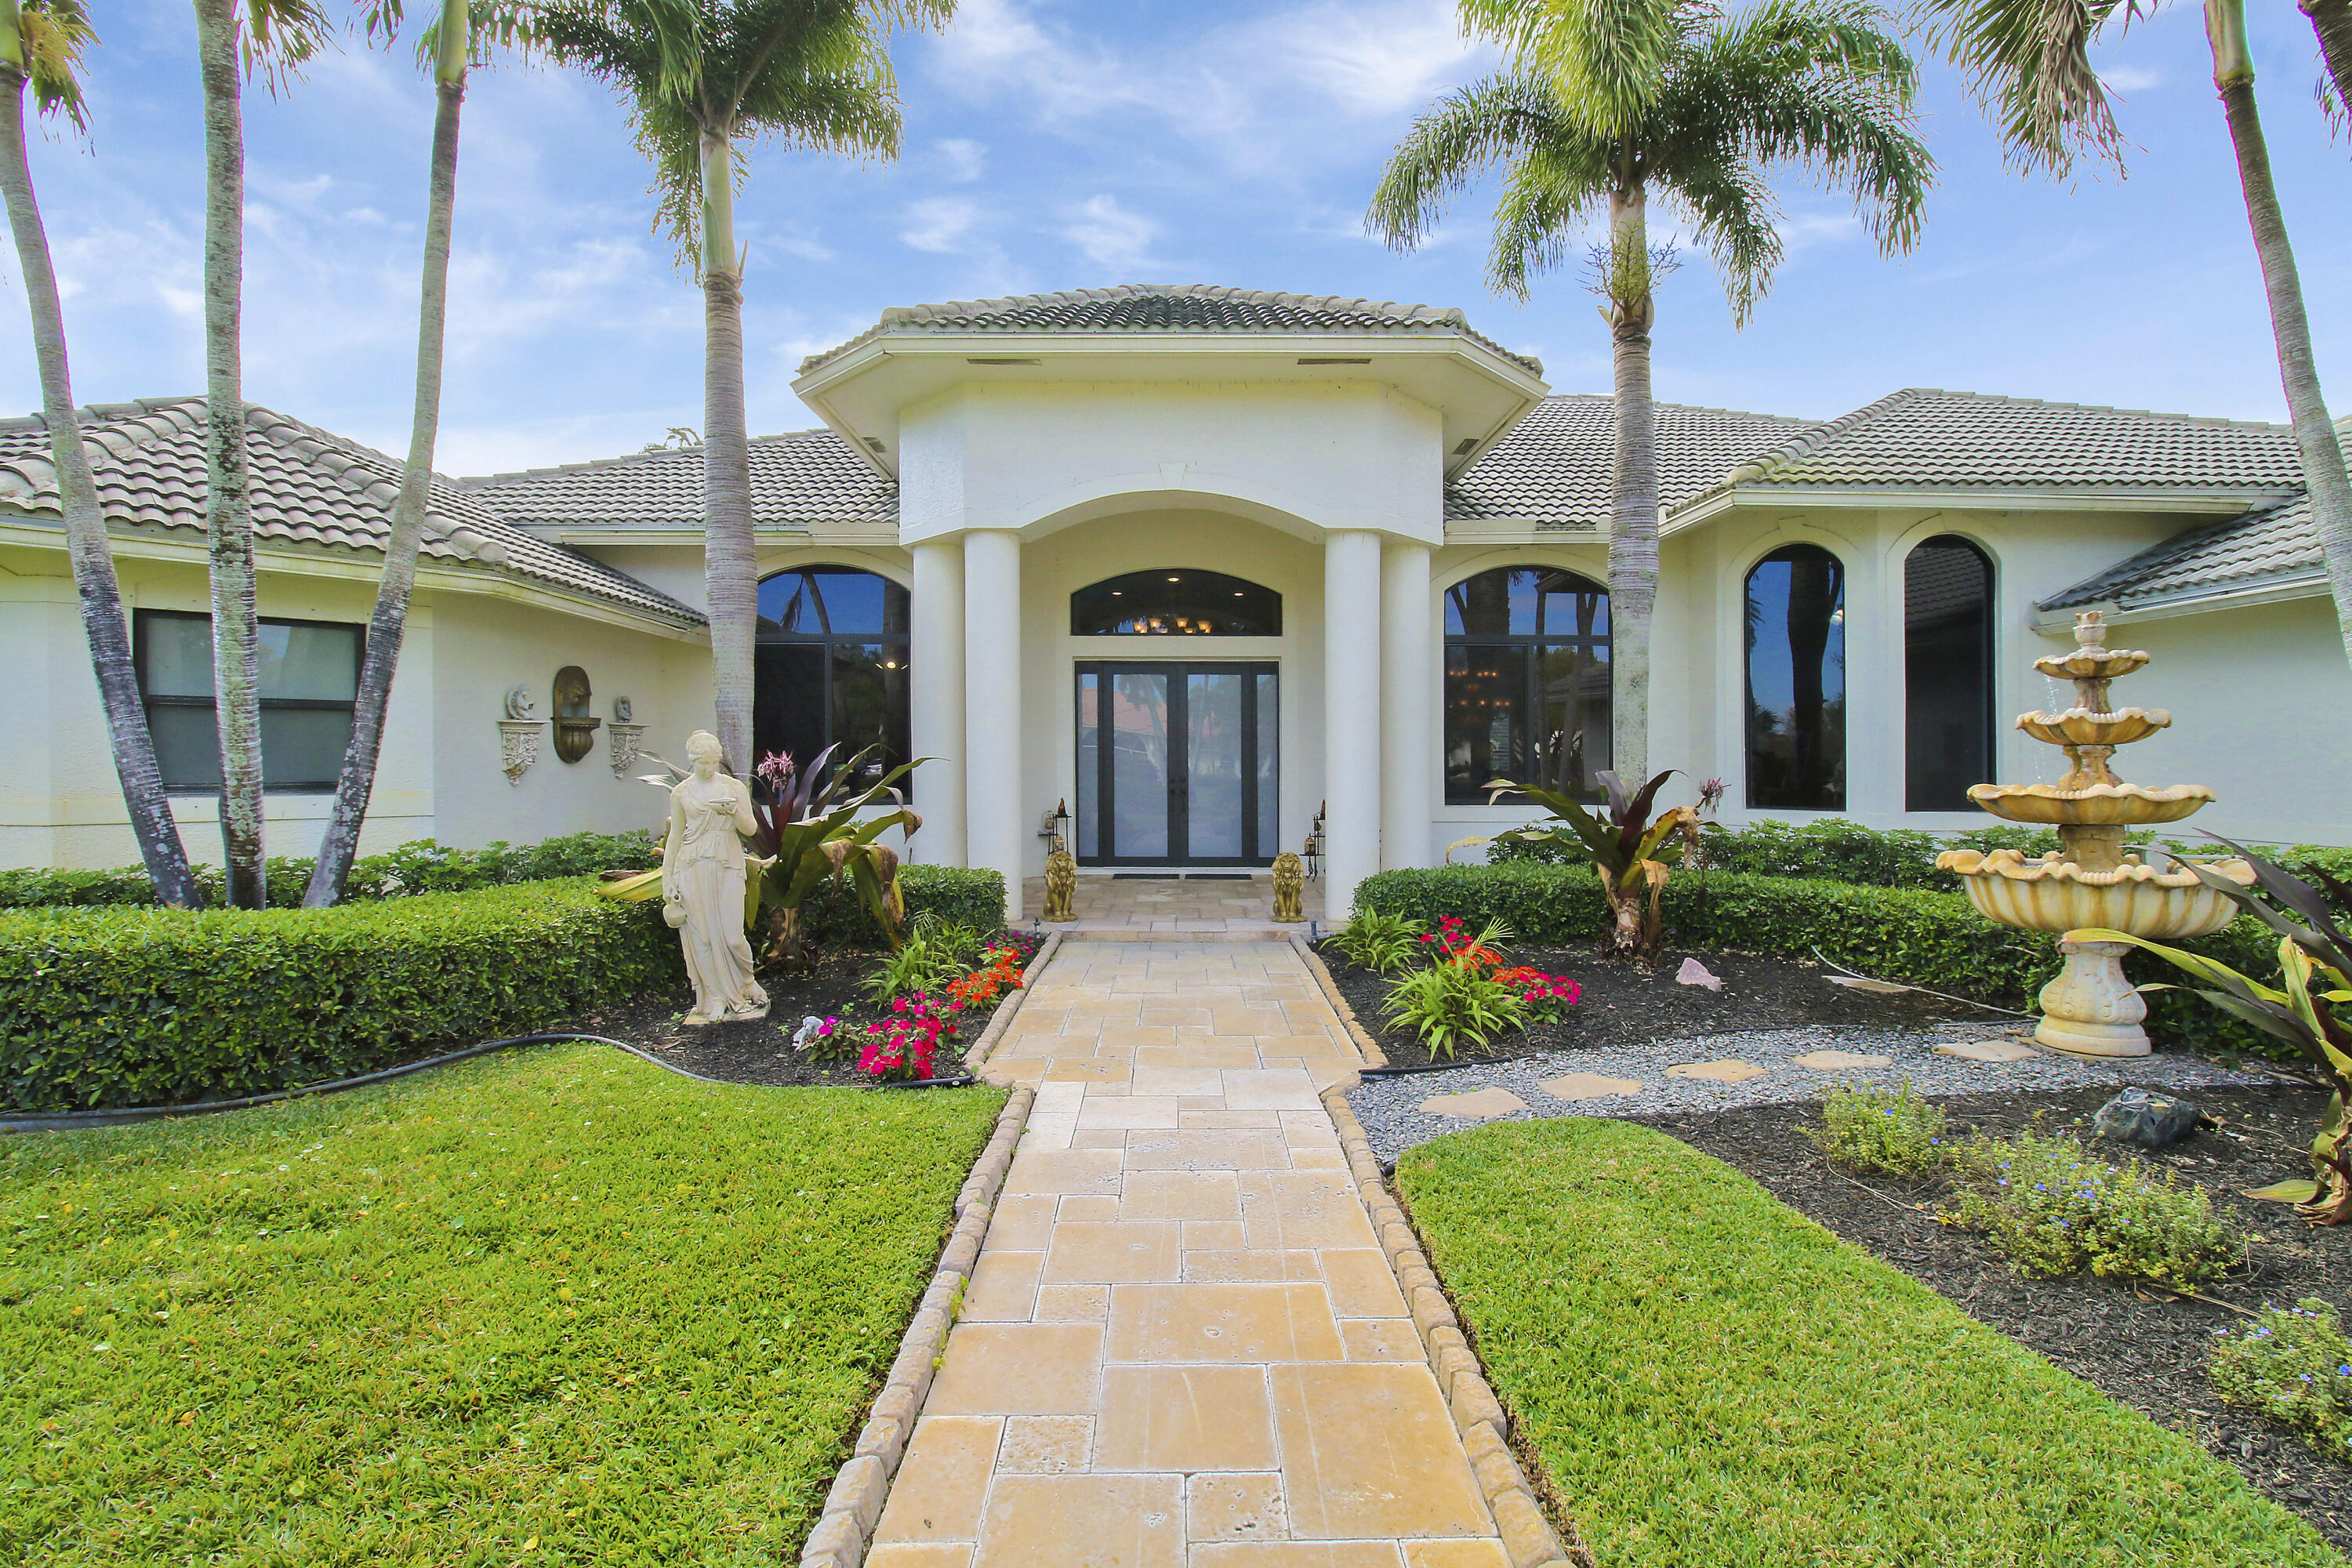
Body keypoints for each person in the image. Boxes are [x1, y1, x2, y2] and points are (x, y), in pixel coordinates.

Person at [662, 730, 769, 1025]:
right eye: (703, 763)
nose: (709, 768)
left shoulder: (733, 788)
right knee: (704, 938)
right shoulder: (681, 792)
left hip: (727, 862)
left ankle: (746, 984)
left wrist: (734, 812)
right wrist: (667, 877)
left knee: (733, 937)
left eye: (713, 762)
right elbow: (675, 836)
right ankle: (715, 997)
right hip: (692, 865)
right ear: (693, 761)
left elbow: (750, 830)